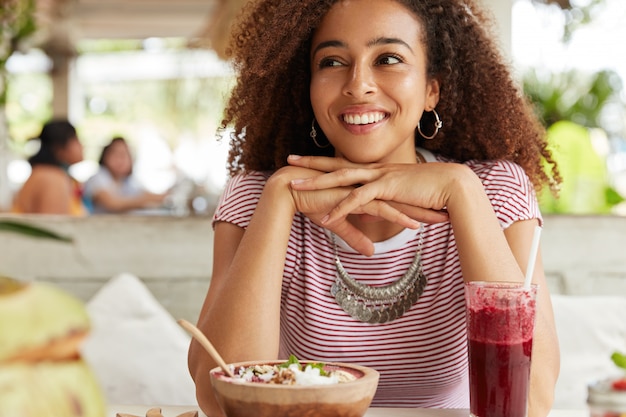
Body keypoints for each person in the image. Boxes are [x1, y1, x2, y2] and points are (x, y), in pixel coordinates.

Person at [187, 0, 562, 416]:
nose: (358, 84)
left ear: (430, 89)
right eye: (331, 62)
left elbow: (531, 400)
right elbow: (217, 402)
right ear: (307, 87)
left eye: (388, 58)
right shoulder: (259, 196)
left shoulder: (492, 191)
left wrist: (462, 191)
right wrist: (279, 201)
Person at [12, 119, 88, 215]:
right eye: (76, 139)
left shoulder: (47, 172)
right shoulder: (51, 178)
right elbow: (52, 226)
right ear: (59, 148)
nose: (82, 145)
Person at [83, 137, 166, 214]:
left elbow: (146, 194)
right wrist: (144, 200)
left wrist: (163, 197)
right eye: (116, 154)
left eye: (125, 155)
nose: (120, 160)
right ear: (105, 156)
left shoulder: (127, 181)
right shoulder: (98, 177)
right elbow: (113, 204)